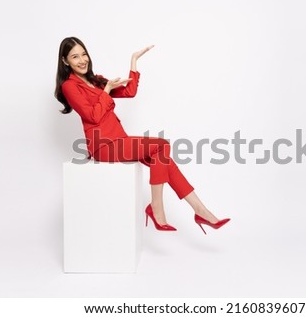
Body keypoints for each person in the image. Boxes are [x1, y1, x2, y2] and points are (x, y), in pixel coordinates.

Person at [54, 37, 230, 234]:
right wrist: (107, 90)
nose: (82, 60)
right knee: (161, 146)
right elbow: (92, 116)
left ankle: (200, 210)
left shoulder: (95, 80)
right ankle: (157, 208)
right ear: (65, 61)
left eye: (84, 54)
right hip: (103, 145)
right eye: (75, 56)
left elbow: (129, 91)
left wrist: (134, 61)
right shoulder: (69, 86)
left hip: (120, 139)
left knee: (163, 158)